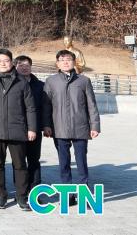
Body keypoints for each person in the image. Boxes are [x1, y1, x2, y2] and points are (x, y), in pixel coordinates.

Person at [42, 49, 101, 206]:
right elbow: (46, 106)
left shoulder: (83, 81)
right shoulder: (51, 81)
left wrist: (95, 125)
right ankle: (67, 194)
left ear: (74, 62)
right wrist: (46, 125)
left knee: (81, 162)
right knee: (64, 163)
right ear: (57, 64)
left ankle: (83, 194)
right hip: (59, 128)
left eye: (68, 59)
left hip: (80, 127)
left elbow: (92, 105)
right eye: (62, 60)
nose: (65, 62)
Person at [0, 48, 36, 211]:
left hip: (17, 129)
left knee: (20, 165)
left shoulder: (22, 82)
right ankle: (1, 196)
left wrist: (32, 128)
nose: (3, 64)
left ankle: (21, 197)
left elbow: (30, 108)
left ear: (12, 62)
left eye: (6, 61)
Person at [14, 55, 45, 190]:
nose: (24, 68)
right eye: (21, 65)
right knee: (18, 162)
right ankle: (21, 190)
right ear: (15, 67)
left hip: (35, 128)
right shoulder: (12, 84)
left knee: (34, 160)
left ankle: (35, 190)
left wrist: (45, 125)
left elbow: (44, 107)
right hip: (16, 128)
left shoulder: (40, 85)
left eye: (27, 65)